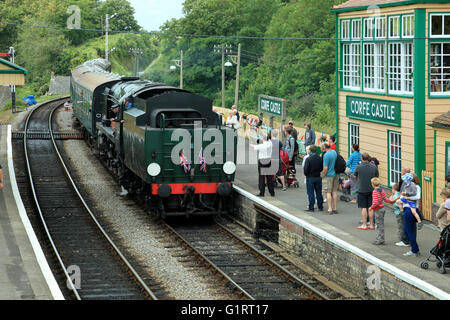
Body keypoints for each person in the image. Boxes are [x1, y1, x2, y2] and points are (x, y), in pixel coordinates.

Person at [369, 178, 400, 245]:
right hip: (382, 208)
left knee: (378, 225)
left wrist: (371, 208)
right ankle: (382, 239)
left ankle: (379, 240)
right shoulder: (382, 190)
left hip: (378, 209)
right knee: (381, 225)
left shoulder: (375, 192)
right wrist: (393, 200)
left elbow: (375, 203)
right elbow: (386, 199)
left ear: (372, 184)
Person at [354, 153, 379, 230]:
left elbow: (355, 176)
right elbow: (376, 176)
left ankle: (364, 224)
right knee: (371, 207)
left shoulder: (358, 167)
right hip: (371, 189)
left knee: (363, 207)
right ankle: (371, 224)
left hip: (361, 189)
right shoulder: (373, 167)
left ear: (362, 158)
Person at [303, 145, 323, 212]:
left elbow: (306, 169)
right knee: (319, 193)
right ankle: (320, 206)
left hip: (310, 177)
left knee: (310, 193)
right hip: (318, 176)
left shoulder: (308, 159)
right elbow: (321, 168)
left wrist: (307, 175)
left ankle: (311, 207)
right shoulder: (320, 158)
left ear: (310, 150)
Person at [321, 143, 338, 214]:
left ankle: (330, 209)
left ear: (324, 148)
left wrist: (322, 175)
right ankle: (335, 208)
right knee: (334, 191)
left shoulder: (326, 155)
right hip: (334, 174)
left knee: (328, 192)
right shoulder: (334, 152)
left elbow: (325, 168)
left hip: (328, 175)